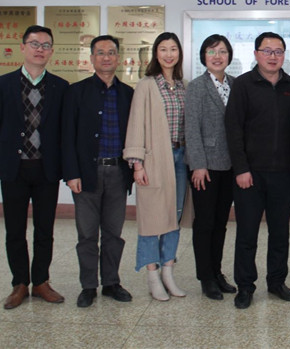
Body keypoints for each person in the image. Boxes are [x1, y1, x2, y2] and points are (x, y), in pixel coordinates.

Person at [0, 25, 68, 309]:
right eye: (34, 44)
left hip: (46, 169)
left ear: (51, 51)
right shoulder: (3, 84)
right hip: (14, 169)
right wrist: (12, 149)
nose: (40, 50)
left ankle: (41, 281)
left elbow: (63, 129)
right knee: (15, 230)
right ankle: (19, 283)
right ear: (23, 48)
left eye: (46, 45)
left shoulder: (60, 86)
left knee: (45, 229)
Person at [225, 31, 290, 309]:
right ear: (256, 54)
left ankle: (277, 282)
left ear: (284, 55)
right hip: (250, 175)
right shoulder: (243, 85)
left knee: (280, 233)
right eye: (267, 51)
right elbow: (233, 129)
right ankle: (245, 286)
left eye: (278, 51)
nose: (273, 56)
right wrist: (241, 169)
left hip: (284, 174)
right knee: (247, 234)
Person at [62, 35, 134, 308]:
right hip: (86, 173)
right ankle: (88, 286)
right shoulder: (76, 92)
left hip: (118, 172)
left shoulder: (128, 94)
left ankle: (111, 282)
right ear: (92, 58)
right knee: (87, 234)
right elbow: (66, 137)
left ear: (118, 58)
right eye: (100, 53)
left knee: (114, 233)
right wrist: (71, 174)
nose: (106, 57)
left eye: (111, 52)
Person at [123, 32, 188, 301]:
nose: (169, 54)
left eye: (173, 49)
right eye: (163, 49)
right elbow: (136, 124)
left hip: (180, 159)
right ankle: (152, 275)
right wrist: (137, 164)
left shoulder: (184, 86)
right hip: (154, 159)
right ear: (156, 53)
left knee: (174, 217)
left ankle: (168, 272)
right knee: (151, 219)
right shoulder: (146, 85)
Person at [185, 34, 238, 301]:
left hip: (231, 165)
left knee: (220, 223)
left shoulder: (236, 84)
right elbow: (191, 128)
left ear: (229, 56)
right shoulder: (196, 86)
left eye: (222, 51)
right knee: (204, 223)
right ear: (203, 56)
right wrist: (198, 164)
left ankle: (217, 272)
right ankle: (205, 277)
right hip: (205, 167)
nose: (217, 56)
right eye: (211, 51)